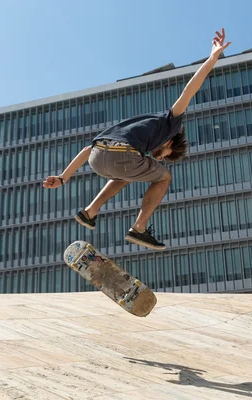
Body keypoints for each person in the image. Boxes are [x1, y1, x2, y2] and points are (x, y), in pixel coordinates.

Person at [43, 28, 231, 250]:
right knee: (163, 177)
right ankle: (139, 228)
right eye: (164, 155)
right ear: (170, 142)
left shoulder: (133, 128)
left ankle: (89, 212)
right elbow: (189, 91)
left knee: (127, 174)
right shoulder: (171, 123)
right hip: (122, 156)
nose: (159, 158)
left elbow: (87, 150)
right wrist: (212, 58)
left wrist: (64, 178)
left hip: (98, 156)